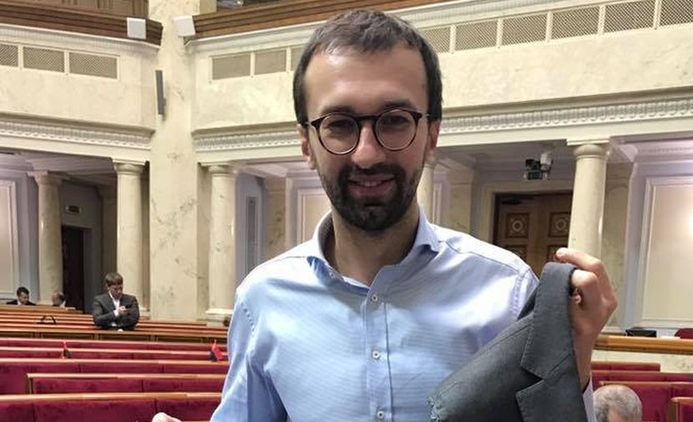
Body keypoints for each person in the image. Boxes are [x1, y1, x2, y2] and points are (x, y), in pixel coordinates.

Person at [153, 9, 616, 422]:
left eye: (394, 120)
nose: (367, 154)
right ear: (306, 143)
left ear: (431, 135)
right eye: (339, 124)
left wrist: (573, 360)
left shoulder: (508, 292)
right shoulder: (262, 300)